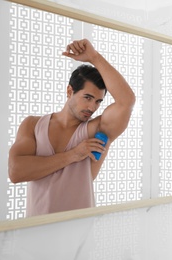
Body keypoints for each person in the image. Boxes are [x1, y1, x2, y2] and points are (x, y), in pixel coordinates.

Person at [8, 39, 136, 217]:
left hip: (79, 233)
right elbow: (16, 172)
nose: (92, 108)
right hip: (35, 230)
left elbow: (126, 101)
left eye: (98, 101)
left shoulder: (96, 130)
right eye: (88, 97)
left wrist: (94, 57)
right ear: (70, 91)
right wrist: (73, 155)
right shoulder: (32, 124)